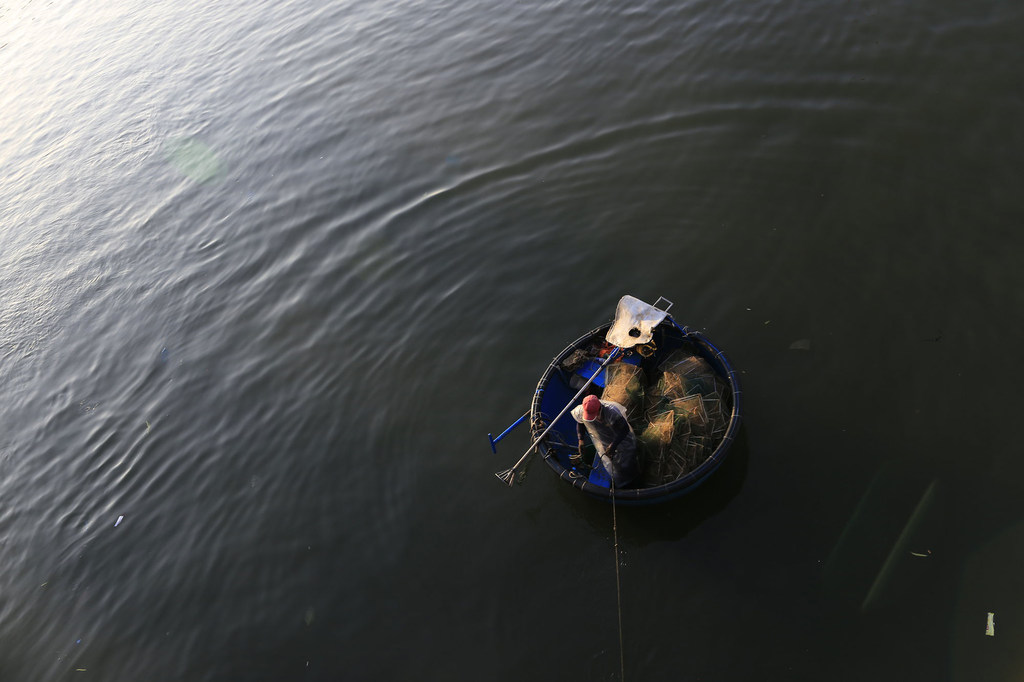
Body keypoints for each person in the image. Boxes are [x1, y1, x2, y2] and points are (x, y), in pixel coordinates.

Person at [570, 394, 639, 488]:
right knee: (614, 463)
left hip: (621, 438)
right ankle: (619, 480)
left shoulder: (611, 412)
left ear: (599, 409)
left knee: (627, 461)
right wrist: (581, 440)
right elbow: (580, 422)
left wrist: (613, 445)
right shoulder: (582, 410)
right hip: (603, 439)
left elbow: (624, 429)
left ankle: (632, 481)